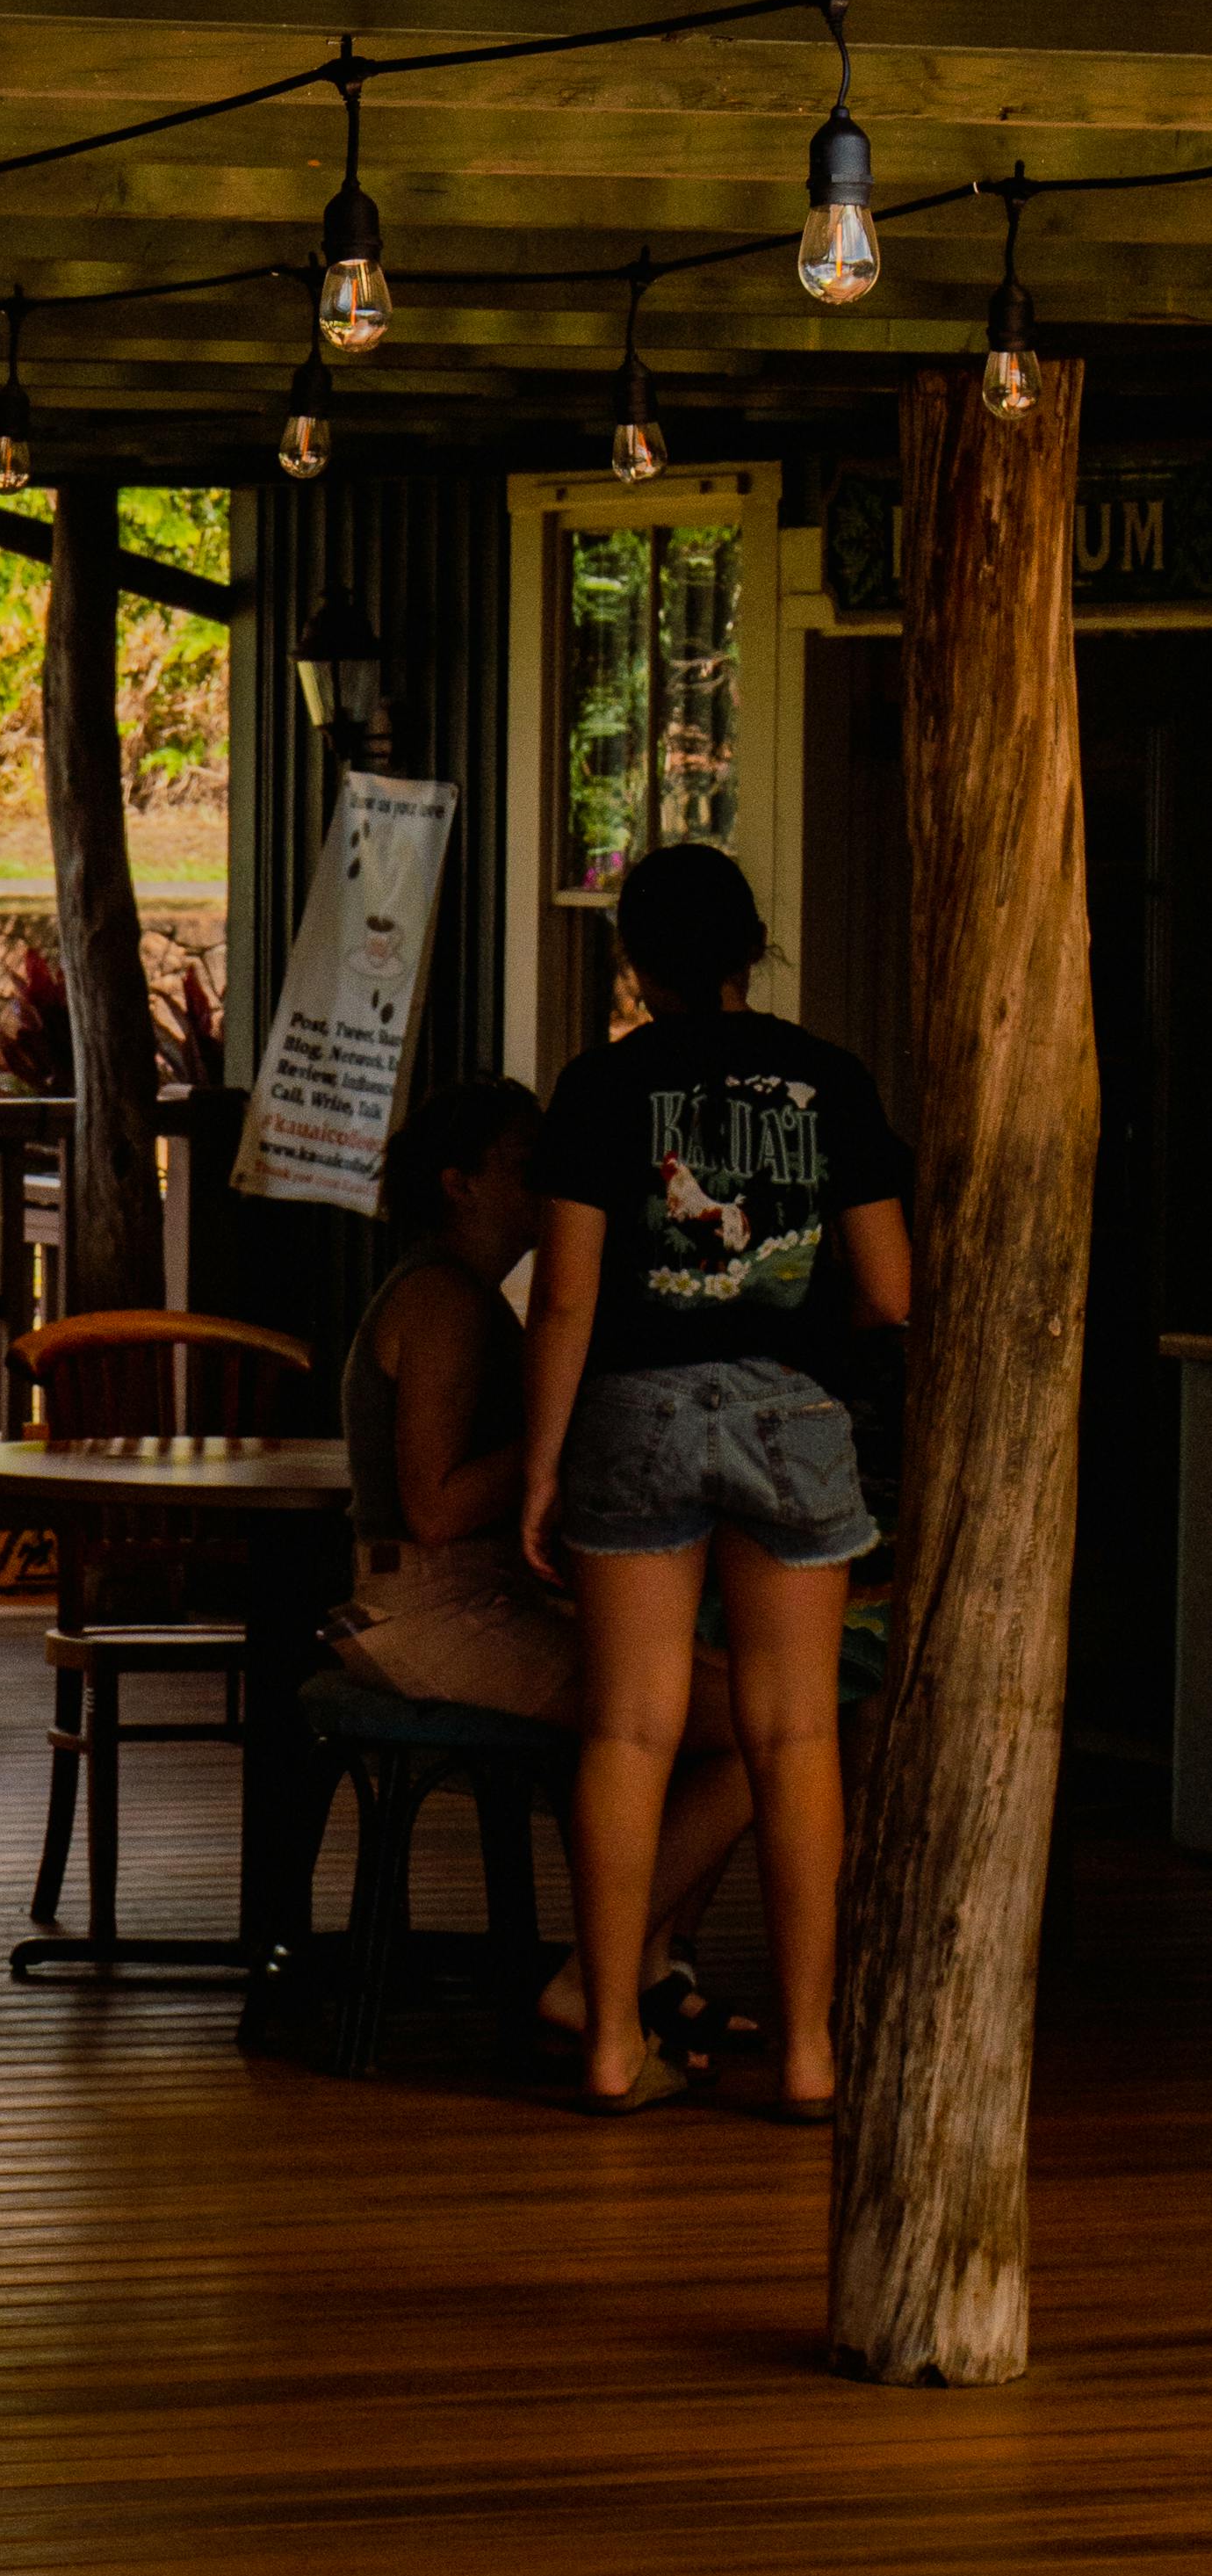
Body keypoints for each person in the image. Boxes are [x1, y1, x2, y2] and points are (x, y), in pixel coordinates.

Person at [520, 843, 913, 2119]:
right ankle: (808, 2056)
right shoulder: (830, 1082)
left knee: (628, 1730)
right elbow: (891, 1292)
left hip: (630, 1416)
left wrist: (539, 1474)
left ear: (632, 958)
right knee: (795, 1732)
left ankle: (612, 2044)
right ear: (753, 950)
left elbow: (567, 1299)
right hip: (792, 1415)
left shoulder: (597, 1089)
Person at [335, 1065, 751, 2056]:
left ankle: (647, 1969)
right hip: (428, 1606)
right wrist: (561, 1433)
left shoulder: (473, 1297)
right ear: (458, 1181)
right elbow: (434, 1507)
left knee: (722, 1696)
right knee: (752, 1726)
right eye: (526, 1166)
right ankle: (599, 1971)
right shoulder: (443, 1301)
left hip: (463, 1595)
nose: (546, 1183)